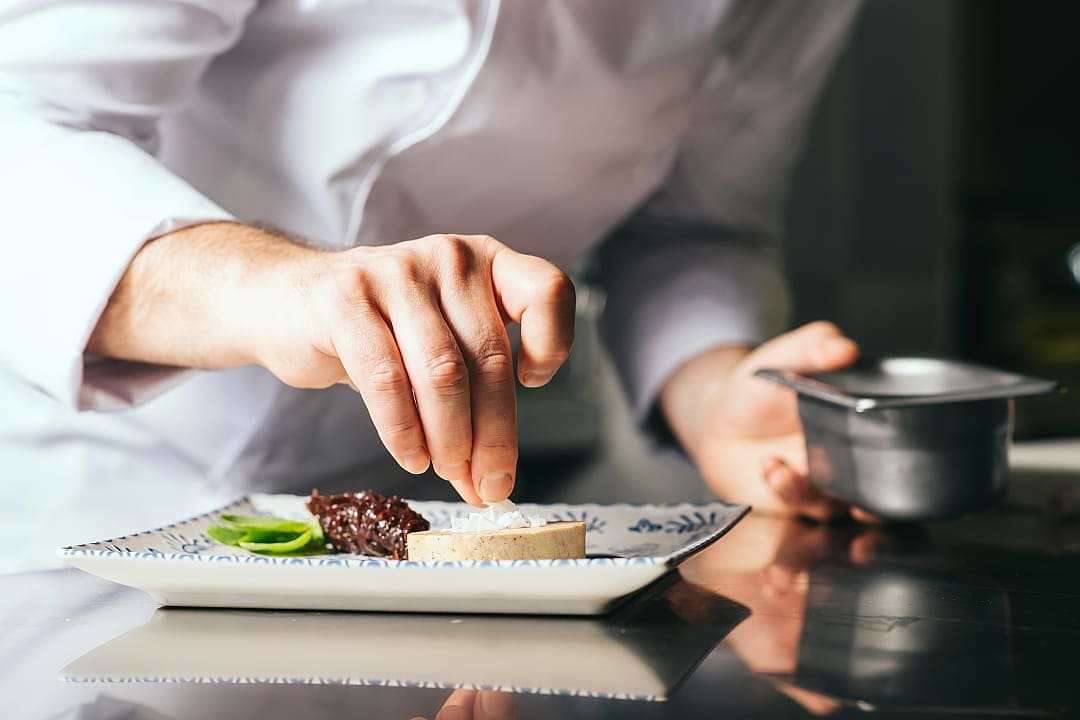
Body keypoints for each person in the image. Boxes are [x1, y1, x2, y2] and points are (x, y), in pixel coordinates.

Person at [0, 0, 866, 573]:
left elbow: (695, 225)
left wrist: (711, 390)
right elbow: (19, 118)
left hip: (394, 518)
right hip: (80, 490)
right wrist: (283, 289)